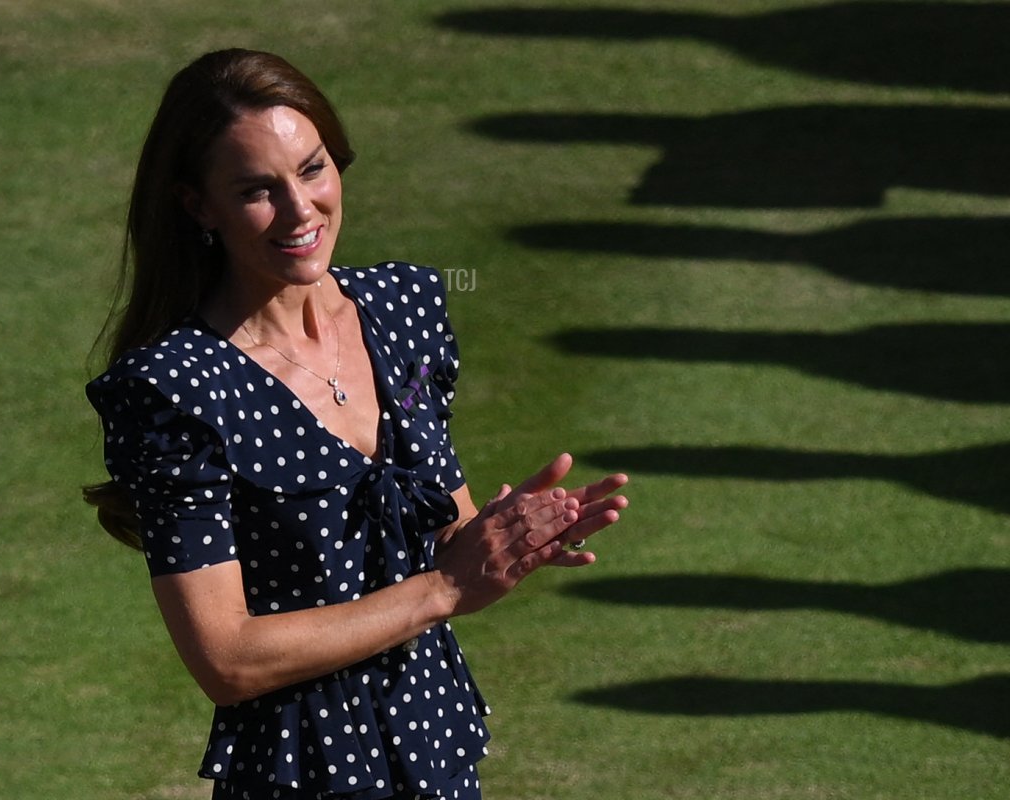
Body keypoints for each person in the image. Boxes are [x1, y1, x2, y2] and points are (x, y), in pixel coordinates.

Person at [83, 48, 628, 800]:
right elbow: (226, 659)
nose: (301, 209)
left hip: (436, 753)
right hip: (301, 777)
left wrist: (509, 538)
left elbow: (443, 521)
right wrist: (444, 589)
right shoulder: (174, 391)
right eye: (256, 190)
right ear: (197, 206)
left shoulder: (405, 310)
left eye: (311, 170)